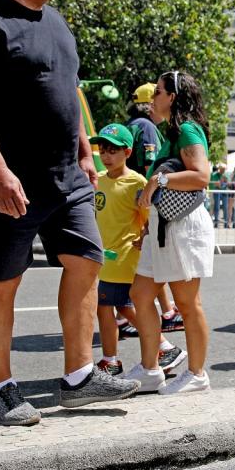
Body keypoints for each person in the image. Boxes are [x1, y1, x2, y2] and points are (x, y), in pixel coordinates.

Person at [0, 0, 140, 425]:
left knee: (87, 261)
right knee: (1, 280)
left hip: (66, 177)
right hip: (9, 179)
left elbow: (68, 92)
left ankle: (78, 376)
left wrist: (84, 152)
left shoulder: (57, 22)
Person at [126, 71, 215, 394]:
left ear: (173, 97)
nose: (152, 99)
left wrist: (157, 180)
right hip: (162, 228)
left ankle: (197, 374)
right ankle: (150, 368)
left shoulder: (187, 130)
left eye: (158, 92)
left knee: (188, 303)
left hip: (184, 227)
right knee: (140, 294)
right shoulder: (169, 133)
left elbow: (201, 176)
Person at [90, 123, 186, 376]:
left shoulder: (136, 183)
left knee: (117, 306)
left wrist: (145, 236)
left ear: (128, 153)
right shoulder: (97, 180)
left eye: (113, 150)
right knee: (111, 308)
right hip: (104, 258)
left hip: (125, 258)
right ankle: (114, 358)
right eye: (103, 149)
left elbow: (149, 217)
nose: (107, 155)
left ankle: (160, 347)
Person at [123, 82, 184, 338]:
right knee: (152, 257)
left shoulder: (131, 125)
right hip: (144, 199)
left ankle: (125, 312)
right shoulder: (148, 128)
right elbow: (152, 167)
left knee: (144, 258)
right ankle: (166, 312)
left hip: (130, 196)